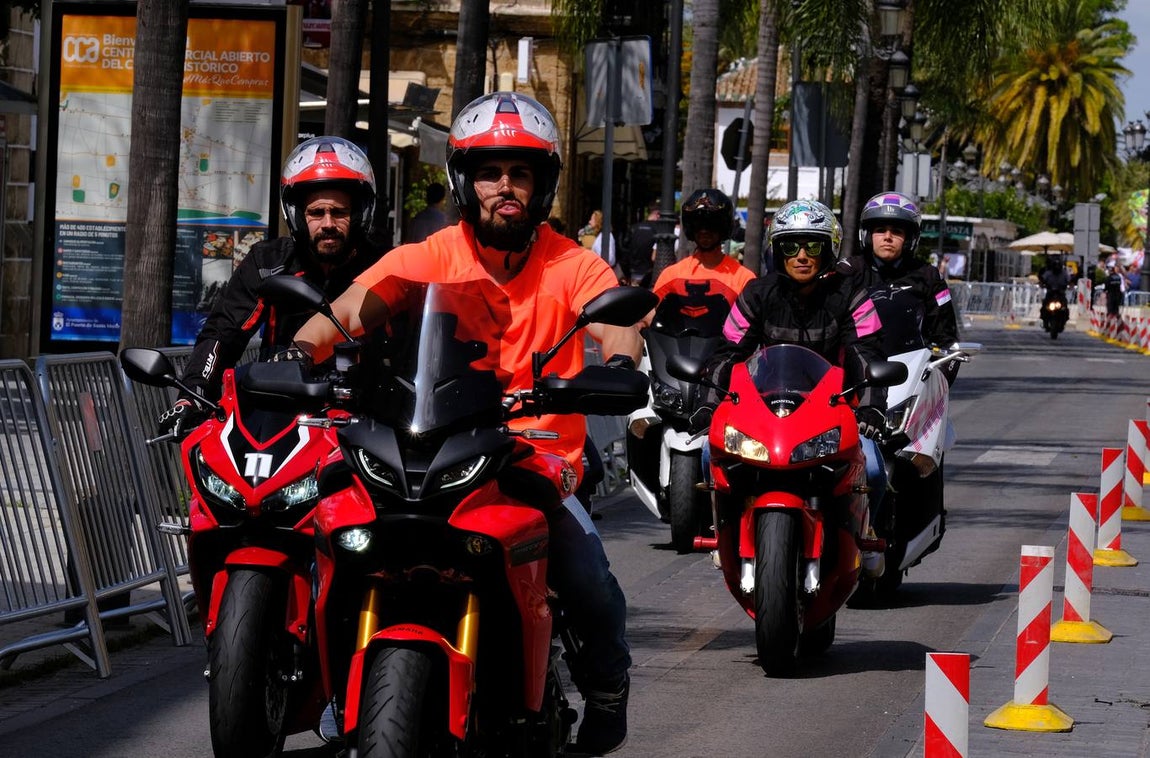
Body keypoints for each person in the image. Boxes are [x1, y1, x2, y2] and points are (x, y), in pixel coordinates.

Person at [290, 92, 640, 755]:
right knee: (328, 536)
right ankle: (327, 691)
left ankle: (607, 686)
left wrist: (619, 364)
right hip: (422, 447)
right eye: (489, 171)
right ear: (464, 179)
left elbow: (614, 320)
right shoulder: (428, 254)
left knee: (590, 578)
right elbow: (344, 314)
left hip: (534, 464)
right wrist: (294, 355)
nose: (504, 187)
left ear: (541, 185)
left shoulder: (573, 263)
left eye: (521, 172)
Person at [695, 199, 890, 575]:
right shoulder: (755, 294)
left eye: (812, 246)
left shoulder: (851, 294)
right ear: (776, 249)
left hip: (833, 410)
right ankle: (723, 532)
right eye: (790, 245)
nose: (801, 255)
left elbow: (867, 353)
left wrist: (870, 408)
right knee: (707, 453)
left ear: (830, 248)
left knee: (876, 466)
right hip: (765, 412)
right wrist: (708, 403)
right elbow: (728, 352)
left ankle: (866, 535)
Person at [157, 136, 381, 436]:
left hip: (366, 420)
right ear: (298, 217)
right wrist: (192, 395)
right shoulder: (268, 262)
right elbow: (224, 332)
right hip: (279, 413)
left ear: (358, 215)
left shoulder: (383, 267)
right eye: (316, 213)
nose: (328, 223)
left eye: (339, 212)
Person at [845, 192, 959, 359]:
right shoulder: (848, 271)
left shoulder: (929, 276)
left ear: (909, 238)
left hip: (912, 376)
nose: (888, 237)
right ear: (867, 236)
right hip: (854, 375)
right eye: (880, 230)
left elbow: (946, 339)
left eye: (896, 231)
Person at [646, 188, 755, 321]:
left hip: (725, 342)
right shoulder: (672, 275)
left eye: (711, 224)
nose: (704, 230)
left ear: (723, 227)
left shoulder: (743, 278)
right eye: (698, 224)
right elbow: (652, 315)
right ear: (690, 227)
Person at [621, 208, 661, 287]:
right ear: (657, 215)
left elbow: (625, 247)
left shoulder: (634, 227)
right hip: (649, 271)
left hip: (633, 269)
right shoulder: (658, 229)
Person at [1038, 253, 1071, 331]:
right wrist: (1042, 284)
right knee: (1044, 305)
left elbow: (1069, 281)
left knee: (1064, 307)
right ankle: (1045, 321)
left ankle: (1063, 320)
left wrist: (1070, 285)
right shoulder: (1048, 273)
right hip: (1051, 294)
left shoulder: (1064, 273)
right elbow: (1043, 280)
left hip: (1060, 294)